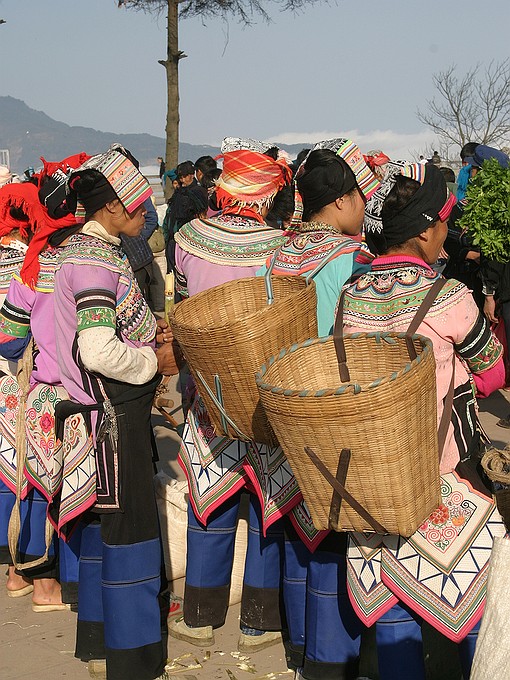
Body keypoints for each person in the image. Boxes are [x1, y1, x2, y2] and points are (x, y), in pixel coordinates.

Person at [340, 161, 506, 680]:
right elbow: (494, 372)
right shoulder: (449, 296)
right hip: (443, 475)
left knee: (393, 610)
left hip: (374, 476)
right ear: (422, 229)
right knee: (476, 596)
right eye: (444, 224)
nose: (446, 235)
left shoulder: (352, 295)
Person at [53, 147, 178, 680]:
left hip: (102, 411)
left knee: (105, 529)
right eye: (136, 204)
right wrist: (154, 360)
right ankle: (134, 659)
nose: (145, 212)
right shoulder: (95, 263)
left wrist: (147, 330)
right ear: (110, 207)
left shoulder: (92, 251)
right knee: (129, 534)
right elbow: (99, 350)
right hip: (113, 414)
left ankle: (102, 644)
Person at [259, 139, 379, 679]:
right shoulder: (351, 259)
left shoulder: (279, 253)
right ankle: (331, 660)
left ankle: (298, 647)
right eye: (359, 196)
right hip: (331, 407)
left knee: (296, 530)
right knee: (333, 532)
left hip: (284, 404)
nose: (363, 206)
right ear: (341, 201)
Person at [168, 138, 293, 653]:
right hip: (262, 393)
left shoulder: (188, 238)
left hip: (207, 393)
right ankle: (259, 623)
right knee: (268, 501)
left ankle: (200, 616)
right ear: (264, 194)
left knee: (209, 500)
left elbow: (182, 310)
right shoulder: (279, 248)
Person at [0, 157, 89, 613]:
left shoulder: (32, 267)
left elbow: (9, 340)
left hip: (41, 398)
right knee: (74, 491)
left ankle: (29, 578)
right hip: (84, 398)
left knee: (37, 486)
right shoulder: (96, 262)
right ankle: (61, 585)